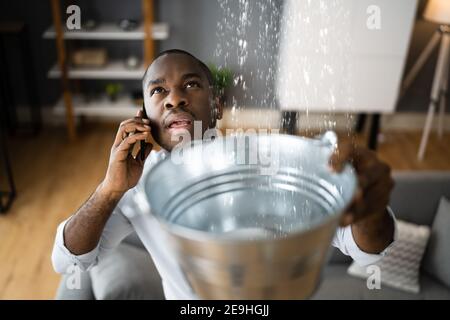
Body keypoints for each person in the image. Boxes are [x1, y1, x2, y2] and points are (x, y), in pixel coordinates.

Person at [52, 49, 396, 299]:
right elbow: (66, 260)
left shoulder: (264, 162)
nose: (175, 99)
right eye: (159, 91)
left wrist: (371, 207)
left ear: (216, 107)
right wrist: (110, 190)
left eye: (191, 85)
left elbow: (368, 250)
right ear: (145, 118)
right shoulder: (138, 187)